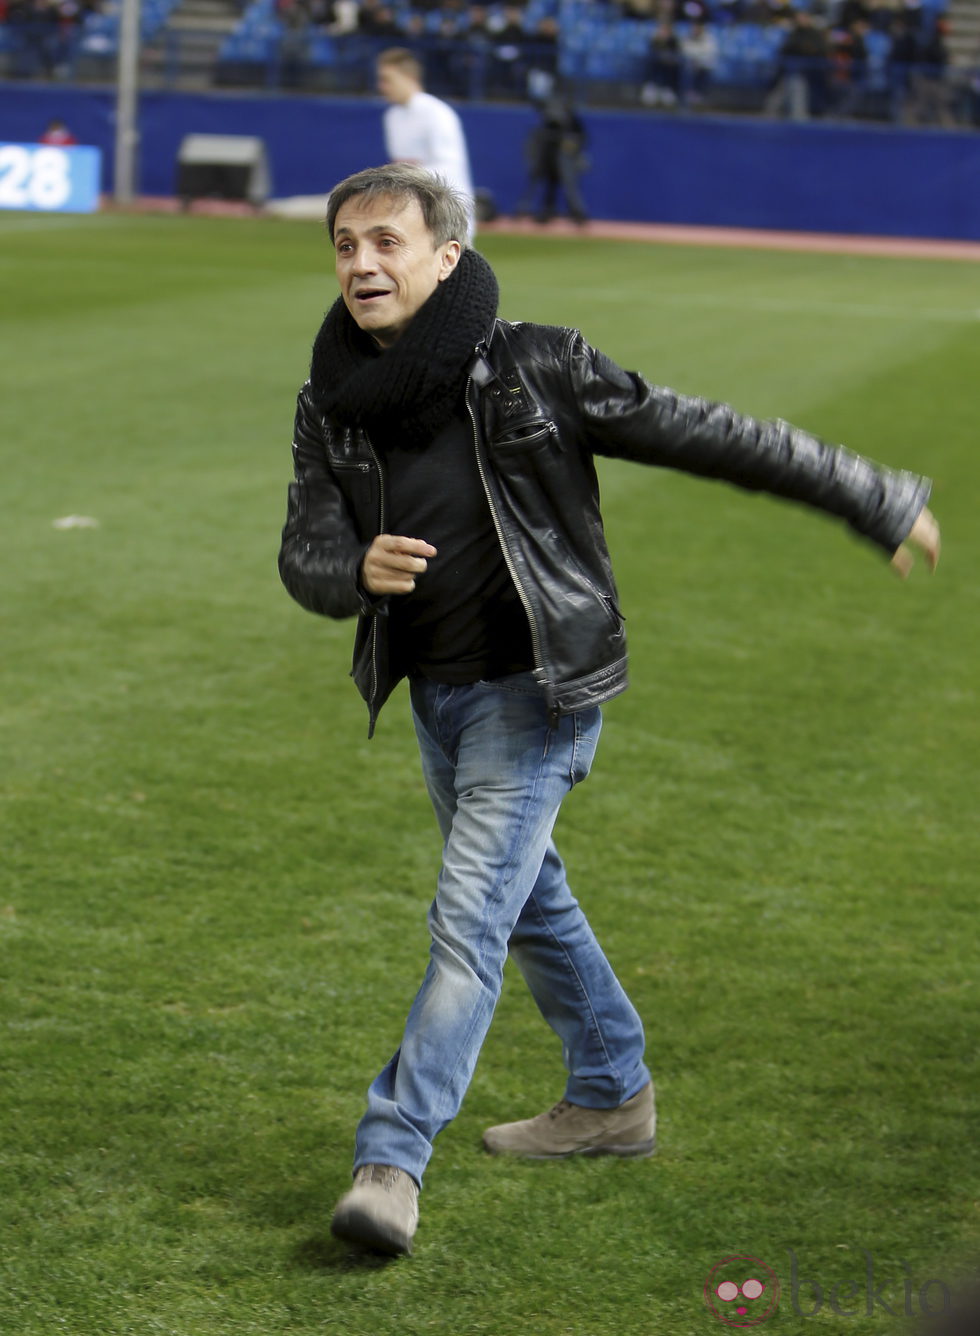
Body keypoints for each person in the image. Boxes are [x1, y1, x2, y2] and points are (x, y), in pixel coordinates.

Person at [278, 164, 940, 1258]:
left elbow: (709, 432)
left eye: (387, 242)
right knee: (529, 901)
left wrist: (869, 492)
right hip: (436, 699)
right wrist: (351, 567)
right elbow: (301, 551)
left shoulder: (537, 364)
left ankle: (389, 1161)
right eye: (345, 244)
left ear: (445, 257)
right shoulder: (329, 401)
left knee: (467, 925)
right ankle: (610, 1096)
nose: (361, 263)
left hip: (535, 696)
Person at [376, 47, 476, 242]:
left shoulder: (437, 113)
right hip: (410, 212)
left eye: (387, 79)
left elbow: (449, 167)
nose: (382, 86)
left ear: (409, 77)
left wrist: (403, 176)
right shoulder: (392, 116)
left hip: (445, 212)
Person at [515, 89, 589, 224]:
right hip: (549, 154)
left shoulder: (572, 122)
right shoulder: (545, 127)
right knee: (546, 182)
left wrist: (572, 146)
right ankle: (545, 211)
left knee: (569, 184)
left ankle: (578, 213)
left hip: (564, 156)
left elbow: (580, 138)